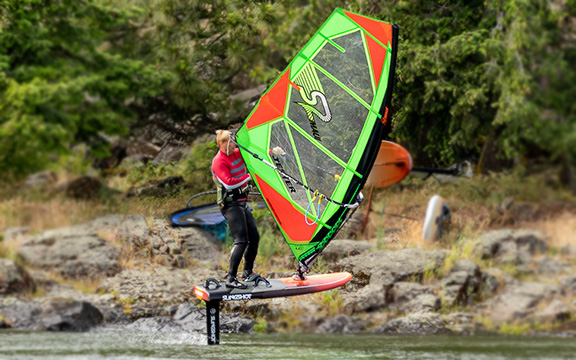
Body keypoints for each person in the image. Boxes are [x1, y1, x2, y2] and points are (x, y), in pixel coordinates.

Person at [211, 130, 262, 289]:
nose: (233, 145)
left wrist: (273, 152)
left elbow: (256, 153)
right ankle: (231, 278)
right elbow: (229, 183)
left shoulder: (238, 153)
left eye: (233, 142)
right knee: (241, 241)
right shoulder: (219, 161)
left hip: (241, 203)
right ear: (220, 144)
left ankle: (247, 272)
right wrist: (249, 177)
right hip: (230, 206)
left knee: (254, 238)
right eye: (229, 142)